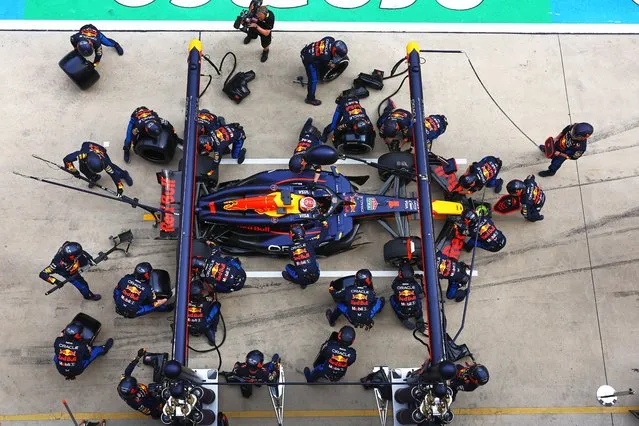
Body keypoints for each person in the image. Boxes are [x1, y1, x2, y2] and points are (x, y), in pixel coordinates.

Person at [63, 141, 133, 196]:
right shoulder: (81, 155)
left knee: (112, 167)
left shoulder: (105, 162)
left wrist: (120, 188)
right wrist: (74, 171)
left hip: (99, 150)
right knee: (82, 169)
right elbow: (66, 160)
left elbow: (114, 174)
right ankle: (94, 177)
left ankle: (124, 174)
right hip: (87, 146)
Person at [300, 37, 348, 106]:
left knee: (319, 62)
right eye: (337, 55)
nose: (337, 57)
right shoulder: (326, 58)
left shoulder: (329, 39)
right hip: (307, 59)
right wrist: (331, 65)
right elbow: (329, 65)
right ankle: (310, 99)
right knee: (313, 80)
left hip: (307, 49)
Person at [117, 348, 164, 418]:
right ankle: (157, 416)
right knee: (156, 410)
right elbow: (148, 410)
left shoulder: (123, 382)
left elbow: (128, 370)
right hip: (148, 400)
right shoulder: (137, 403)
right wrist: (158, 404)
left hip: (146, 394)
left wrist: (138, 357)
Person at [282, 222, 327, 289]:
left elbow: (292, 258)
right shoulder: (310, 243)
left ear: (292, 235)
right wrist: (325, 226)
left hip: (301, 278)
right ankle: (303, 281)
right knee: (315, 263)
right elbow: (323, 236)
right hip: (315, 277)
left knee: (287, 267)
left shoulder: (290, 249)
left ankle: (301, 282)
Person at [390, 263, 425, 331]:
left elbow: (392, 286)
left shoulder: (396, 285)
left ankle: (403, 319)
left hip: (403, 312)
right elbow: (421, 292)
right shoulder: (416, 285)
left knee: (392, 298)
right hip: (415, 311)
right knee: (417, 297)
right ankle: (420, 319)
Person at [187, 280, 221, 346]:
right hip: (204, 326)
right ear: (202, 292)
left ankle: (177, 334)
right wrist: (205, 282)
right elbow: (212, 293)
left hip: (187, 327)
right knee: (217, 305)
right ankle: (212, 330)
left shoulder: (183, 301)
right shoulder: (206, 300)